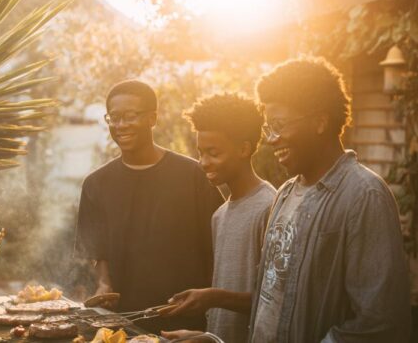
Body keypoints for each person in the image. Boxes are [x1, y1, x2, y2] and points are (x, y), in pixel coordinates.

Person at [249, 57, 411, 342]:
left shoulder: (364, 197)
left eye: (279, 124)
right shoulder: (285, 193)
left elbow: (379, 323)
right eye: (268, 128)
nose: (272, 139)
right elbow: (271, 299)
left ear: (320, 122)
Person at [75, 80, 223, 333]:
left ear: (152, 118)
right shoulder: (96, 184)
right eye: (114, 117)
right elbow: (98, 252)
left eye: (130, 116)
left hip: (186, 323)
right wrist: (104, 285)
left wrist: (210, 309)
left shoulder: (193, 175)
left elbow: (218, 248)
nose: (121, 125)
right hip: (123, 324)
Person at [160, 93, 276, 343]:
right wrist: (204, 336)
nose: (203, 162)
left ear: (244, 149)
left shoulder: (271, 207)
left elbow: (278, 300)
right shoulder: (219, 215)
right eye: (200, 152)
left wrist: (213, 297)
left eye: (213, 153)